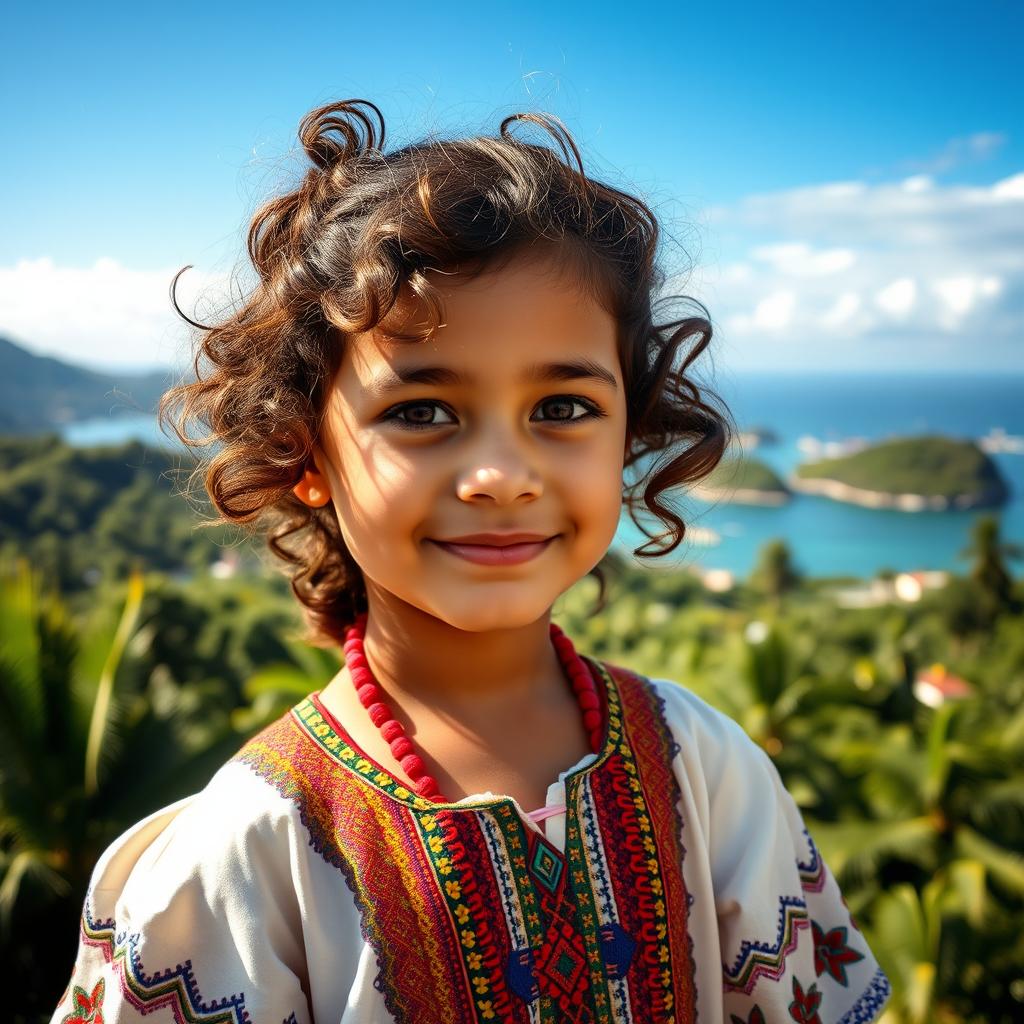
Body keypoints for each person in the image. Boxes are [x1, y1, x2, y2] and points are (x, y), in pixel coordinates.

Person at [51, 99, 891, 1024]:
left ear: (629, 433)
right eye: (421, 413)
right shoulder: (244, 858)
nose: (500, 476)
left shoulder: (709, 770)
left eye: (564, 407)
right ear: (304, 455)